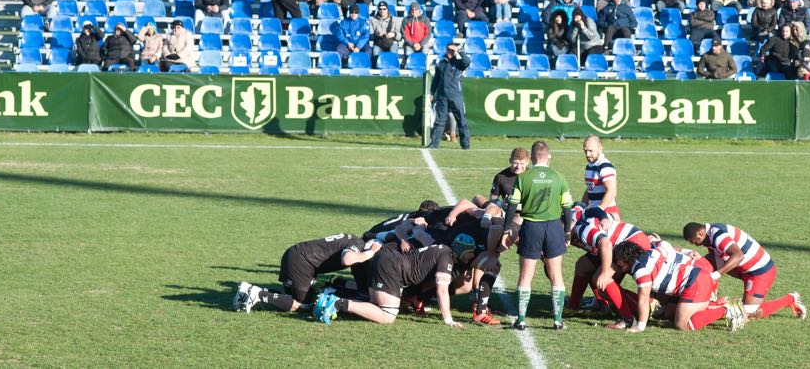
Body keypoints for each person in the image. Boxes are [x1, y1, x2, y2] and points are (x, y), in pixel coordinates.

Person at [313, 237, 474, 327]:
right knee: (388, 315)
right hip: (391, 267)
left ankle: (331, 292)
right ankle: (337, 303)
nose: (471, 257)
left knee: (374, 306)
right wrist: (448, 319)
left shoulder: (443, 248)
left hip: (386, 260)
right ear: (461, 251)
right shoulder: (446, 258)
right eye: (469, 253)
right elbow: (442, 290)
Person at [503, 140, 575, 330]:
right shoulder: (559, 177)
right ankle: (558, 319)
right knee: (556, 275)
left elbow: (512, 205)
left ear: (532, 158)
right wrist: (567, 232)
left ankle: (521, 319)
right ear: (548, 156)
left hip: (531, 227)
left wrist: (506, 230)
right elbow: (568, 209)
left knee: (526, 275)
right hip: (553, 228)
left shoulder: (523, 178)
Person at [611, 238, 746, 333]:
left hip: (695, 282)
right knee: (669, 313)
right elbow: (666, 245)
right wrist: (687, 251)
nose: (617, 263)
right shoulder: (653, 252)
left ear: (626, 257)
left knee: (682, 325)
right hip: (695, 277)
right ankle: (711, 304)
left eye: (618, 260)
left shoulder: (640, 270)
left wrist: (640, 326)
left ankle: (726, 309)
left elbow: (644, 299)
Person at [683, 222, 806, 322]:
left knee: (750, 312)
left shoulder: (717, 235)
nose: (695, 244)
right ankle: (706, 299)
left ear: (700, 233)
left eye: (694, 241)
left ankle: (790, 299)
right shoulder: (710, 237)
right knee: (705, 262)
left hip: (760, 272)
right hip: (745, 269)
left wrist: (715, 275)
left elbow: (738, 256)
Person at [234, 233, 381, 315]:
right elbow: (347, 259)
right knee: (303, 306)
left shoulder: (352, 238)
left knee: (291, 299)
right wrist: (371, 252)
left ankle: (250, 292)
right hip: (301, 263)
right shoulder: (359, 245)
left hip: (295, 254)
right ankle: (258, 294)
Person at [566, 210, 652, 322]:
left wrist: (604, 272)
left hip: (630, 244)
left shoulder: (582, 229)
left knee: (602, 280)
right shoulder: (569, 226)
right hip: (616, 246)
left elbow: (606, 244)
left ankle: (630, 317)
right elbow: (608, 215)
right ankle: (576, 306)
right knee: (583, 266)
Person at [427, 43, 471, 150]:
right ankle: (434, 144)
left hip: (456, 95)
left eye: (452, 50)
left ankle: (465, 145)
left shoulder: (459, 63)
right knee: (439, 121)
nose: (450, 52)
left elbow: (467, 62)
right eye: (449, 50)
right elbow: (436, 80)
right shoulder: (441, 63)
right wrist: (432, 92)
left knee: (461, 120)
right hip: (442, 96)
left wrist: (459, 51)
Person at [581, 136, 618, 217]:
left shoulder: (605, 166)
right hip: (594, 211)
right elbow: (590, 188)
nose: (587, 154)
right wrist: (581, 206)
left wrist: (599, 210)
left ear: (600, 149)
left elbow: (612, 192)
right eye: (585, 151)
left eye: (591, 151)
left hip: (606, 213)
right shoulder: (590, 165)